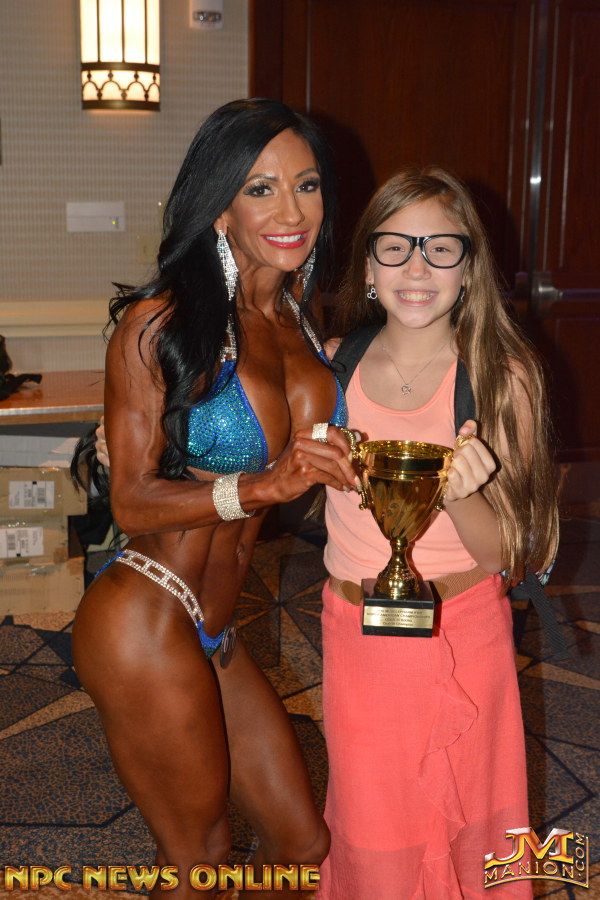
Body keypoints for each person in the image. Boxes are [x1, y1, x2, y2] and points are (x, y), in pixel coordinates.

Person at [72, 98, 359, 899]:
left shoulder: (301, 322)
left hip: (219, 628)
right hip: (143, 618)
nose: (292, 211)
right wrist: (264, 485)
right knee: (199, 860)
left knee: (302, 845)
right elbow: (131, 502)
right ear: (220, 207)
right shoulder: (160, 323)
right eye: (261, 188)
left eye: (307, 185)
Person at [318, 168, 559, 899]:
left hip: (464, 634)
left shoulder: (501, 376)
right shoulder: (332, 365)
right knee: (371, 829)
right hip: (359, 638)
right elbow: (252, 453)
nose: (417, 268)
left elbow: (510, 554)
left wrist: (462, 496)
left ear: (468, 269)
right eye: (395, 247)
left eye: (440, 248)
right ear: (367, 267)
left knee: (472, 826)